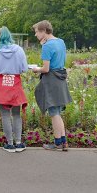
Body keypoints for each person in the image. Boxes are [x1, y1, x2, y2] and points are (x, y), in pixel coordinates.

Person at [32, 20, 72, 151]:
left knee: (54, 113)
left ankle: (57, 143)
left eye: (37, 32)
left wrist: (36, 69)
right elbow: (61, 60)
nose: (35, 34)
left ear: (44, 31)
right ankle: (63, 142)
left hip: (51, 81)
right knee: (57, 112)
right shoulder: (60, 41)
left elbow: (46, 69)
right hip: (60, 78)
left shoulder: (47, 46)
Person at [0, 27, 28, 153]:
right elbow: (24, 68)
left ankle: (9, 144)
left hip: (1, 83)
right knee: (16, 114)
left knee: (5, 115)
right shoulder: (19, 49)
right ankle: (18, 143)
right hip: (15, 83)